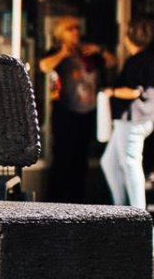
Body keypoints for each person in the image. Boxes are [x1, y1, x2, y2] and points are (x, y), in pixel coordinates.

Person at [101, 15, 154, 209]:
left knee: (130, 164)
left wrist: (112, 92)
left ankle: (136, 211)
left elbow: (133, 91)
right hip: (142, 117)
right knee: (109, 162)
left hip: (133, 118)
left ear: (128, 37)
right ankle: (121, 207)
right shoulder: (151, 60)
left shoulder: (136, 61)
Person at [36, 17, 104, 202]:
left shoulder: (87, 52)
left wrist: (99, 50)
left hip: (87, 112)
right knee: (62, 158)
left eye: (77, 28)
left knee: (80, 160)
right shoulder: (57, 51)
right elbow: (44, 65)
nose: (75, 32)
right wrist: (63, 54)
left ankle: (77, 199)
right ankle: (55, 200)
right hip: (65, 112)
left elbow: (111, 62)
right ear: (61, 33)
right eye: (70, 29)